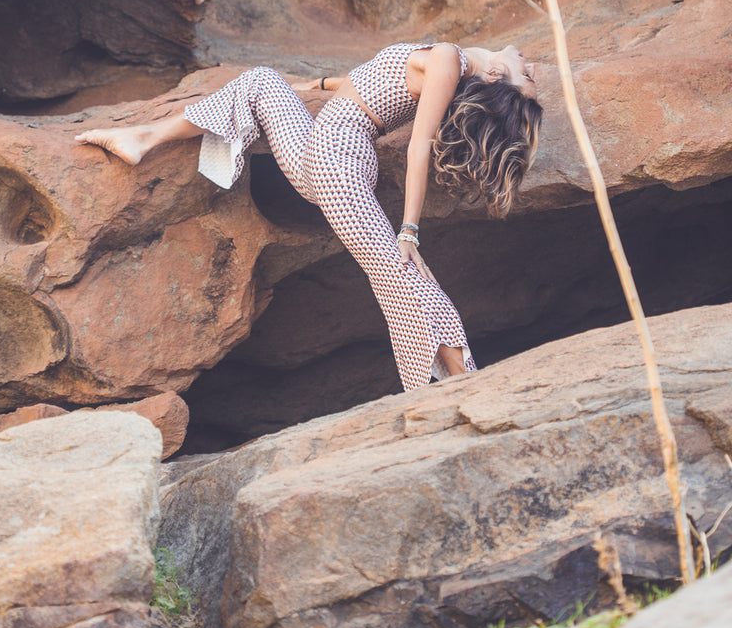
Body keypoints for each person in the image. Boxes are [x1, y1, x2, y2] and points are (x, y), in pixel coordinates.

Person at [75, 42, 541, 390]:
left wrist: (410, 229)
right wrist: (314, 87)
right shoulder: (448, 60)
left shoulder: (448, 58)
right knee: (261, 81)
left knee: (405, 276)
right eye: (533, 75)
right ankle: (145, 138)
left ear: (497, 74)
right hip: (323, 152)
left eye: (529, 76)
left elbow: (419, 146)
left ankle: (463, 383)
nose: (533, 65)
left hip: (338, 161)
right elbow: (371, 82)